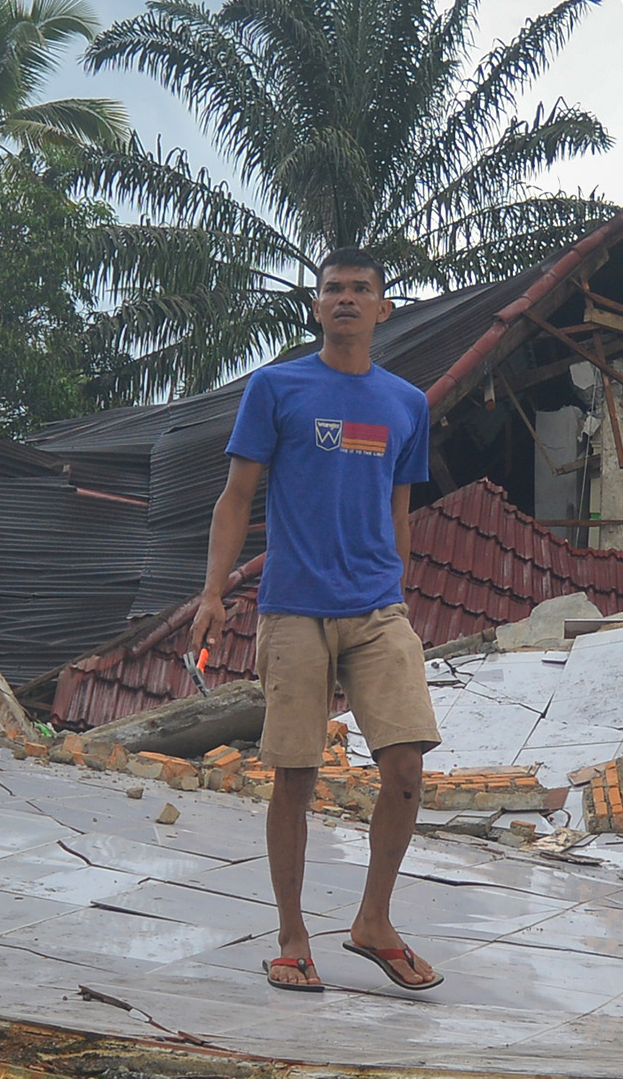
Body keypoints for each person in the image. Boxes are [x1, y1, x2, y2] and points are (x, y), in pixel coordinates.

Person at [187, 249, 444, 994]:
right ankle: (294, 937)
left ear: (383, 308)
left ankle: (373, 922)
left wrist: (397, 590)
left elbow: (400, 507)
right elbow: (236, 498)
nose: (346, 299)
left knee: (404, 766)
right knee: (294, 776)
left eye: (362, 289)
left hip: (376, 610)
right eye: (333, 288)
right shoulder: (276, 388)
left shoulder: (407, 404)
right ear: (316, 304)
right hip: (294, 609)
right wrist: (211, 595)